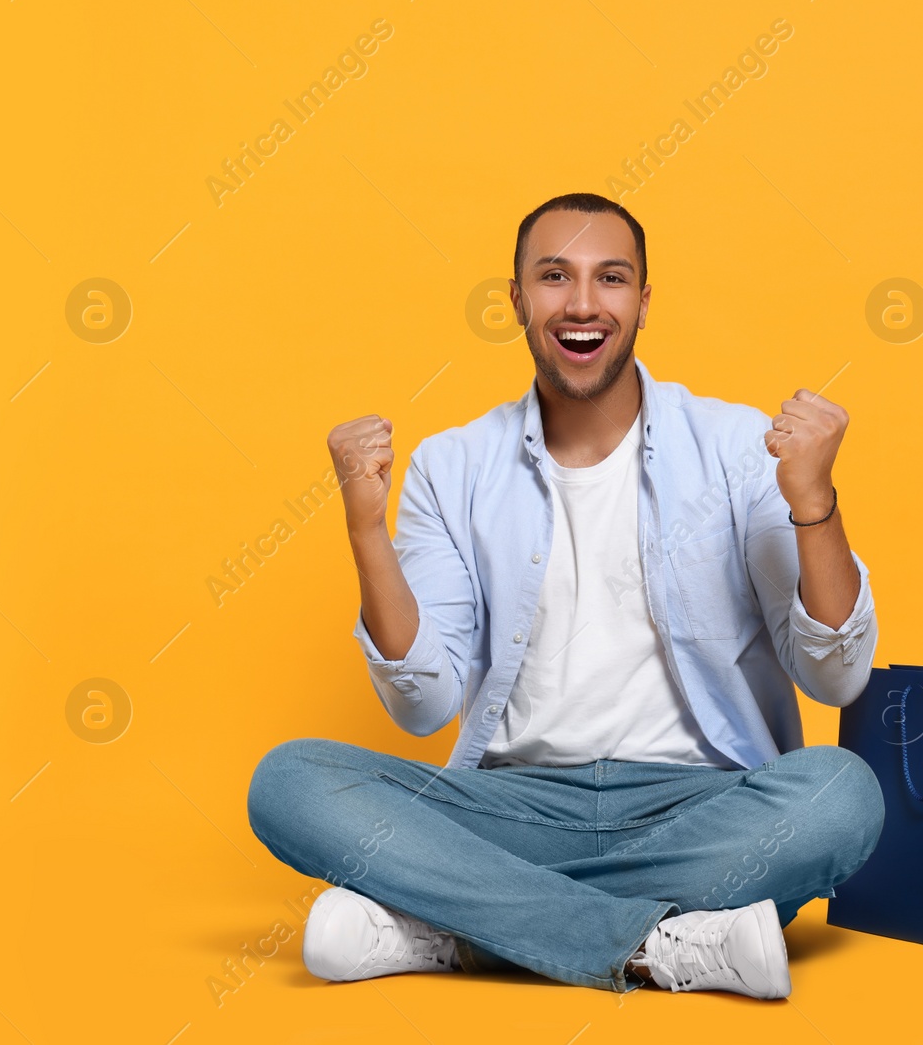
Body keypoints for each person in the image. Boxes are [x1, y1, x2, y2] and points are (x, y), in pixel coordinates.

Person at [246, 192, 883, 999]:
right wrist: (366, 532)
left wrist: (812, 504)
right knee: (290, 780)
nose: (582, 304)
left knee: (842, 795)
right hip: (511, 809)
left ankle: (456, 930)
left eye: (610, 278)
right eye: (554, 276)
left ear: (644, 302)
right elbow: (422, 705)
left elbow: (837, 677)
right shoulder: (454, 466)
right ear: (515, 298)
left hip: (701, 803)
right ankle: (662, 946)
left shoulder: (736, 447)